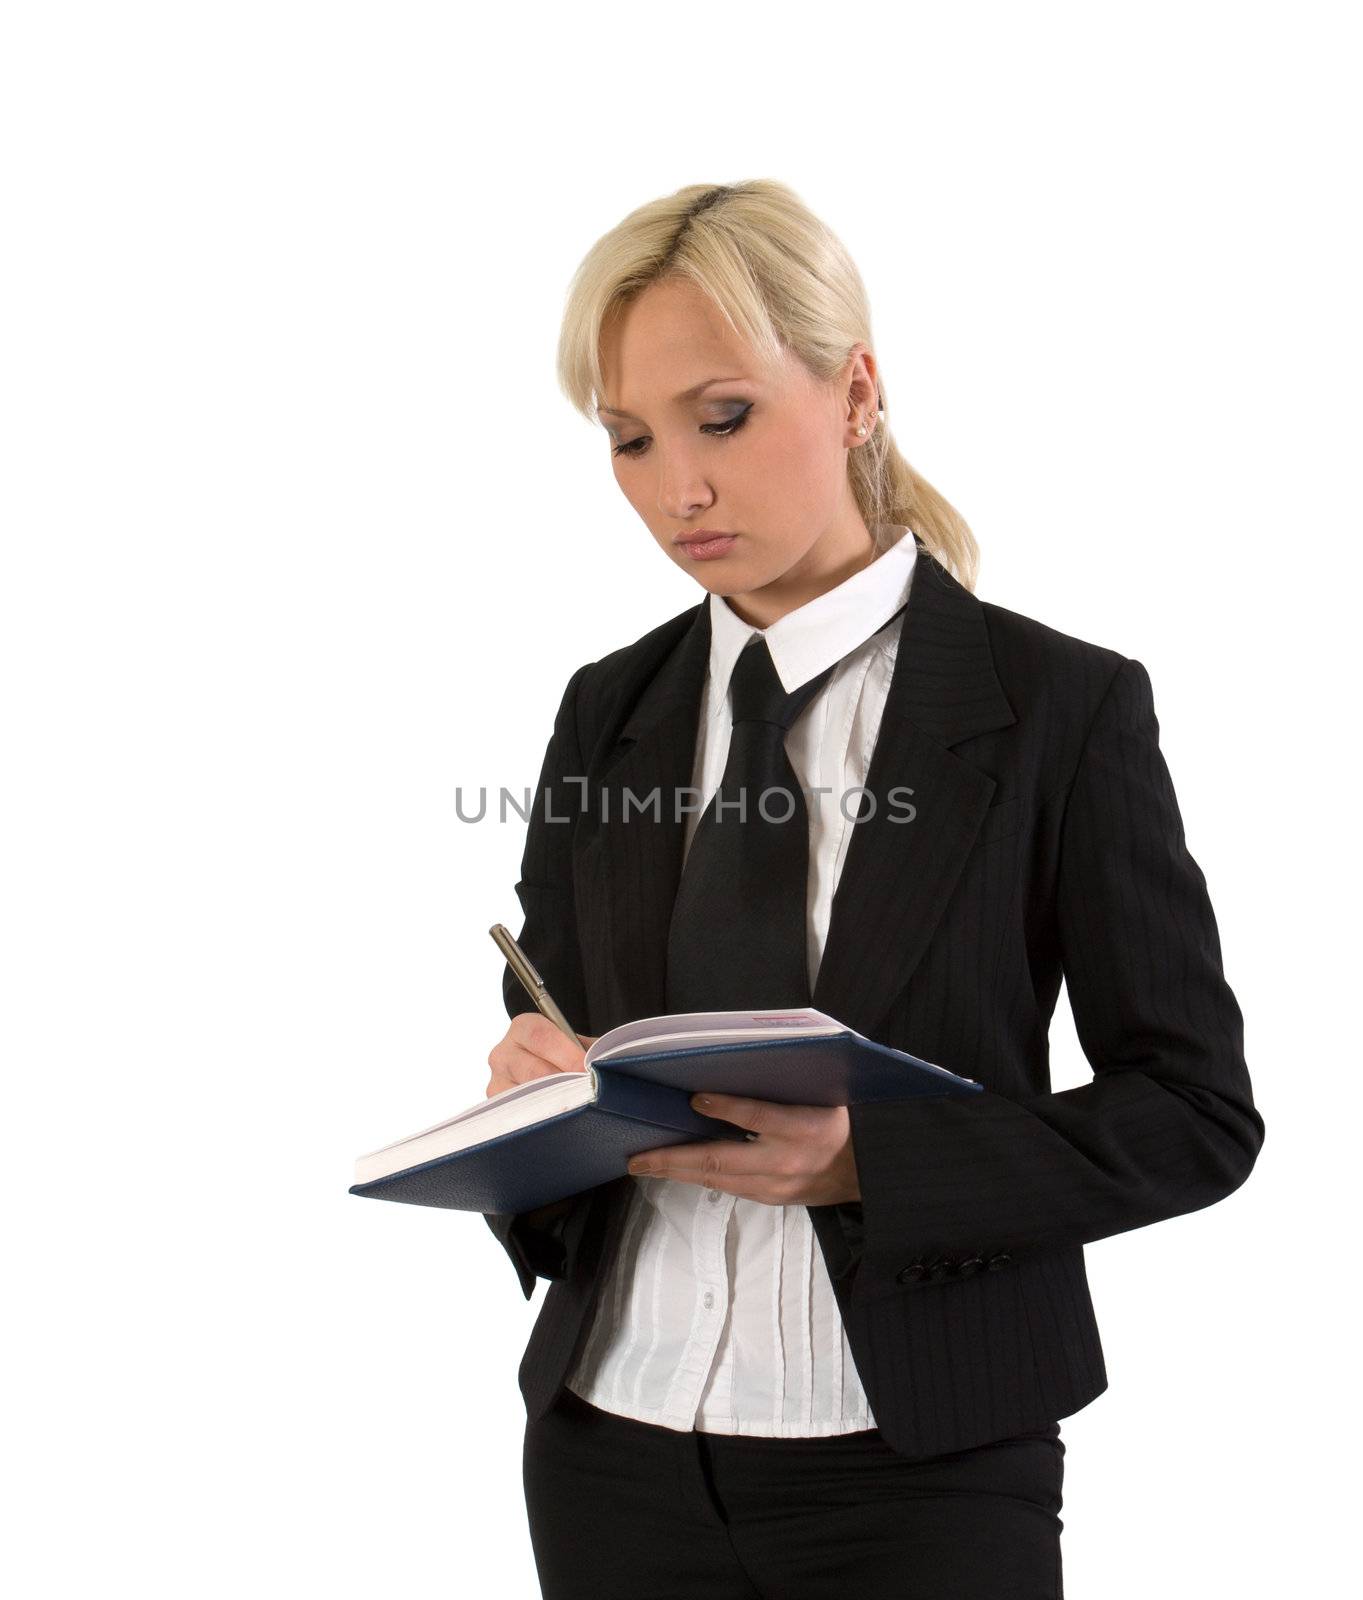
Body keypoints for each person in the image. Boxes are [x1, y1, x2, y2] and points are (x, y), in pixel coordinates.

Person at [481, 179, 1264, 1600]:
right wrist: (534, 1090)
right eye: (631, 441)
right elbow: (562, 1002)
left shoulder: (1054, 709)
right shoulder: (611, 710)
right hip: (610, 1444)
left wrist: (869, 1168)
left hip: (919, 1460)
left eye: (721, 417)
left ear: (856, 394)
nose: (679, 488)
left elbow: (1196, 1112)